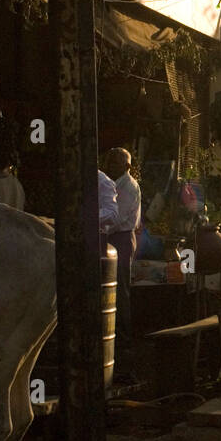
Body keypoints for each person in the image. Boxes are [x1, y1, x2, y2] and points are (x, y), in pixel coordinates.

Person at [100, 147, 141, 355]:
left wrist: (98, 228)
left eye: (114, 162)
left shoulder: (129, 187)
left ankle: (125, 336)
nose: (109, 165)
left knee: (121, 287)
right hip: (114, 237)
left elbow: (116, 218)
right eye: (109, 161)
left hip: (122, 239)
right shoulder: (114, 183)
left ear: (126, 166)